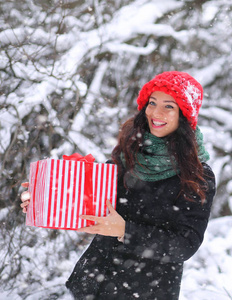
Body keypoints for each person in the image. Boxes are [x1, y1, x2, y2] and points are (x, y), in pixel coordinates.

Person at [20, 71, 216, 299]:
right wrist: (44, 196)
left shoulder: (197, 175)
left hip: (146, 290)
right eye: (152, 103)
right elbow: (85, 196)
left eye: (169, 106)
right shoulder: (129, 156)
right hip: (91, 283)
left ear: (184, 115)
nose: (156, 112)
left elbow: (185, 244)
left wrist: (125, 231)